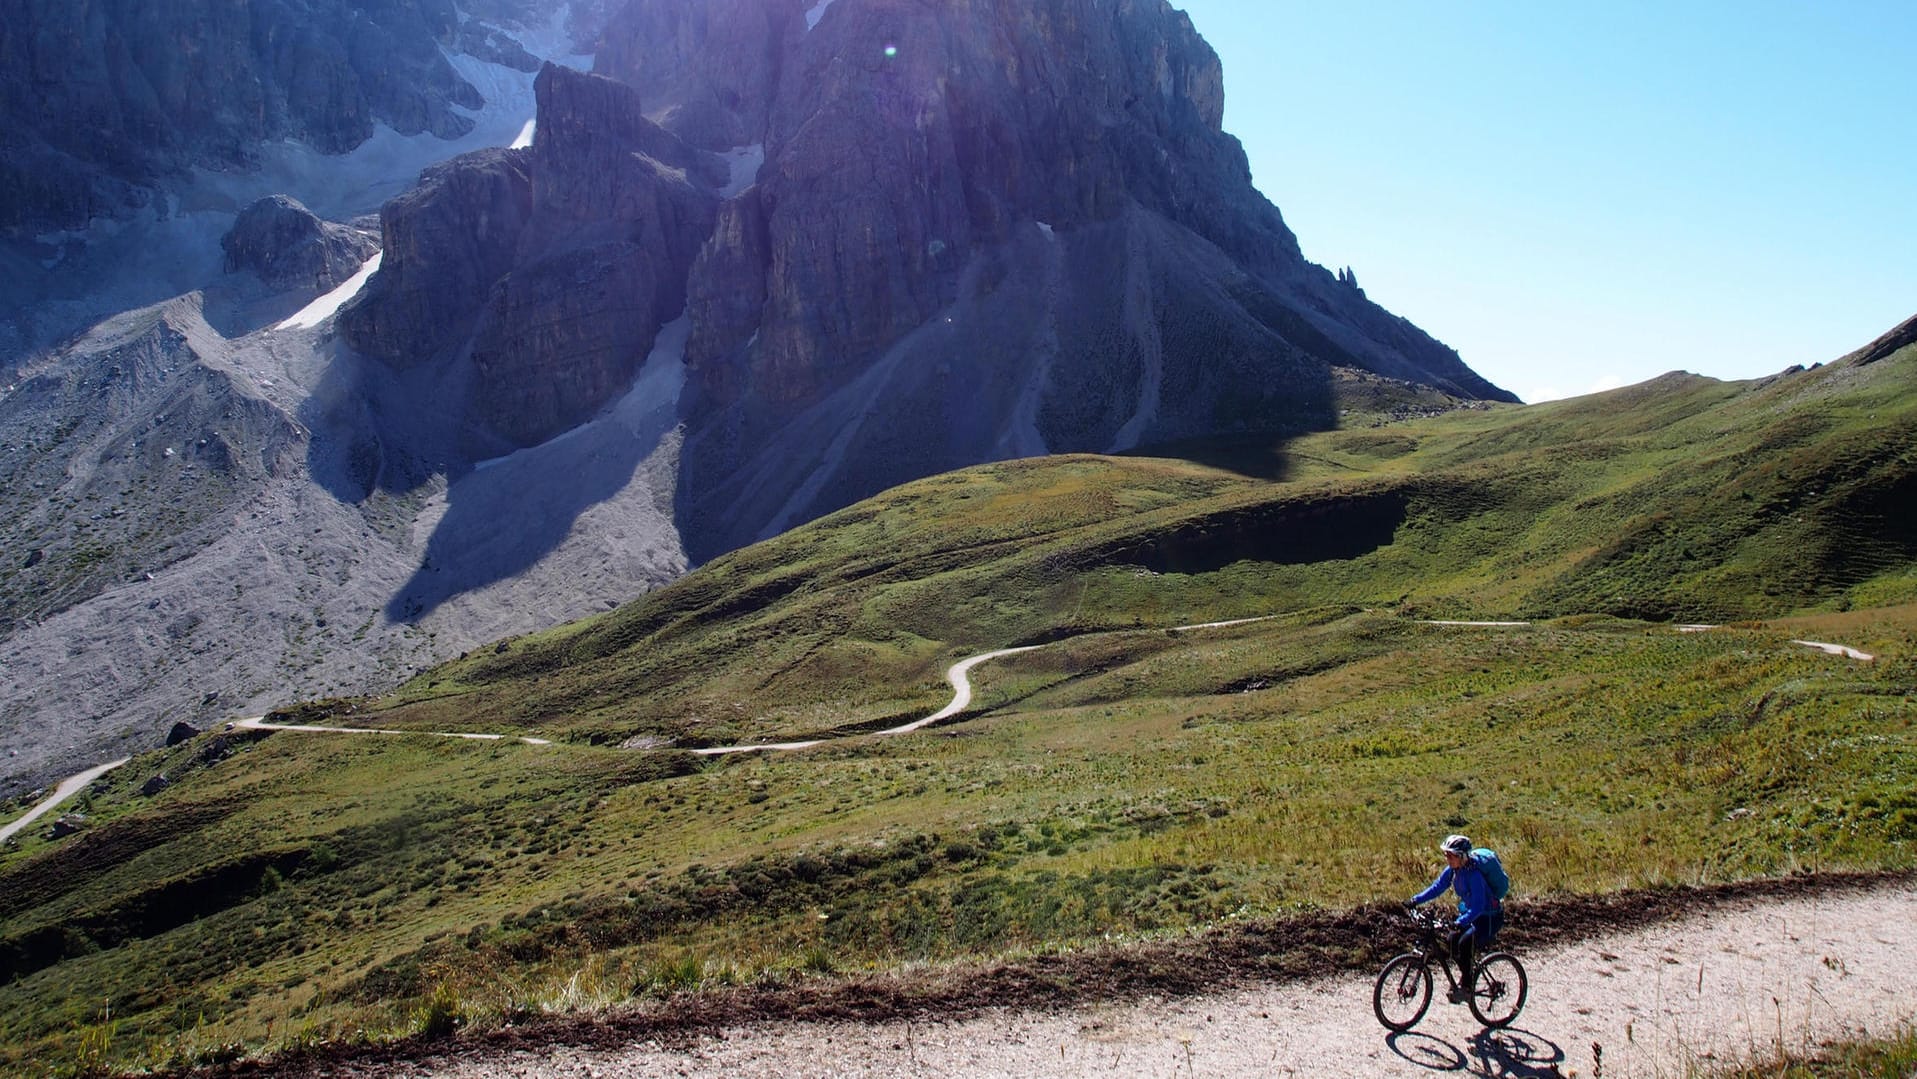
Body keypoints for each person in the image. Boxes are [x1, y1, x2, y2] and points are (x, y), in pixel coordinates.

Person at [1407, 834, 1504, 1002]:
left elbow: (1479, 906)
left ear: (1461, 856)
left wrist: (1459, 922)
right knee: (1451, 940)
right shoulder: (1453, 870)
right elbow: (1438, 887)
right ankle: (1469, 976)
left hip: (1489, 918)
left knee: (1464, 944)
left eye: (1450, 855)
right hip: (1472, 915)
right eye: (1446, 855)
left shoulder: (1474, 875)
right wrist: (1415, 900)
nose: (1447, 858)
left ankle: (1466, 985)